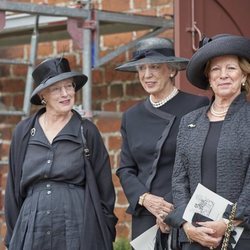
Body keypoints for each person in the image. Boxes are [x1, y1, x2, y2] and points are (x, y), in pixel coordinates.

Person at [4, 57, 117, 250]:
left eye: (69, 86)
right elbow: (13, 188)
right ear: (43, 96)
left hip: (78, 225)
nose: (65, 94)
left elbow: (105, 188)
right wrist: (14, 236)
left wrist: (103, 230)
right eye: (56, 89)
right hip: (32, 227)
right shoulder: (23, 131)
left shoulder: (86, 130)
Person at [115, 37, 209, 249]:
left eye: (155, 67)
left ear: (172, 70)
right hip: (145, 214)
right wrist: (145, 198)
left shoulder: (197, 106)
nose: (147, 75)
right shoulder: (131, 116)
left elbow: (199, 164)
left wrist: (168, 208)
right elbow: (126, 169)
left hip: (184, 210)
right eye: (141, 68)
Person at [165, 34, 250, 250]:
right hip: (194, 235)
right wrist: (185, 223)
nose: (223, 75)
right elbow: (179, 179)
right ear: (209, 79)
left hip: (240, 236)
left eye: (231, 68)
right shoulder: (190, 121)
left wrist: (228, 222)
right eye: (215, 70)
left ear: (244, 76)